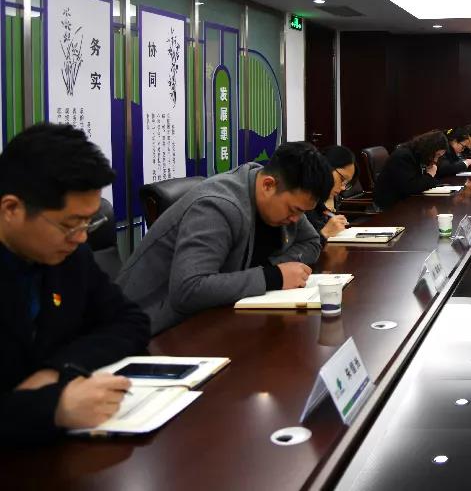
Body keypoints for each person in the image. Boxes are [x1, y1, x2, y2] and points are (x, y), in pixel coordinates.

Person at [1, 123, 149, 443]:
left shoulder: (70, 256)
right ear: (11, 209)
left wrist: (56, 371)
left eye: (88, 222)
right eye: (71, 224)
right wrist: (53, 407)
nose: (82, 237)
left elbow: (130, 321)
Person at [117, 142, 332, 334]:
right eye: (294, 210)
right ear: (268, 185)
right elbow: (188, 289)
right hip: (152, 329)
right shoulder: (216, 206)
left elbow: (311, 242)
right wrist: (273, 277)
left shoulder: (283, 199)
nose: (296, 219)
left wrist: (271, 267)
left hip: (216, 317)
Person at [373, 130, 449, 209]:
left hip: (405, 199)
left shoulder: (417, 154)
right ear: (429, 149)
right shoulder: (403, 156)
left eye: (439, 156)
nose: (436, 160)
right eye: (437, 155)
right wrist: (429, 175)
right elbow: (411, 187)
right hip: (391, 204)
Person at [306, 145, 355, 240]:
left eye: (346, 183)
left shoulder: (320, 201)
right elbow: (298, 245)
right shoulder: (303, 200)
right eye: (342, 179)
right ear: (326, 168)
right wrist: (325, 233)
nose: (343, 187)